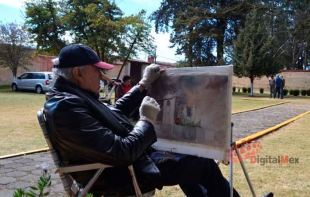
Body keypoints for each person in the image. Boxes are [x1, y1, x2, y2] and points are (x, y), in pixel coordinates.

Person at [44, 44, 245, 197]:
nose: (102, 76)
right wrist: (146, 121)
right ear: (78, 73)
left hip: (126, 164)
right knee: (200, 163)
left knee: (188, 156)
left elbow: (113, 112)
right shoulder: (66, 107)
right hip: (121, 174)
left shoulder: (71, 97)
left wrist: (142, 85)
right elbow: (122, 153)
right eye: (97, 71)